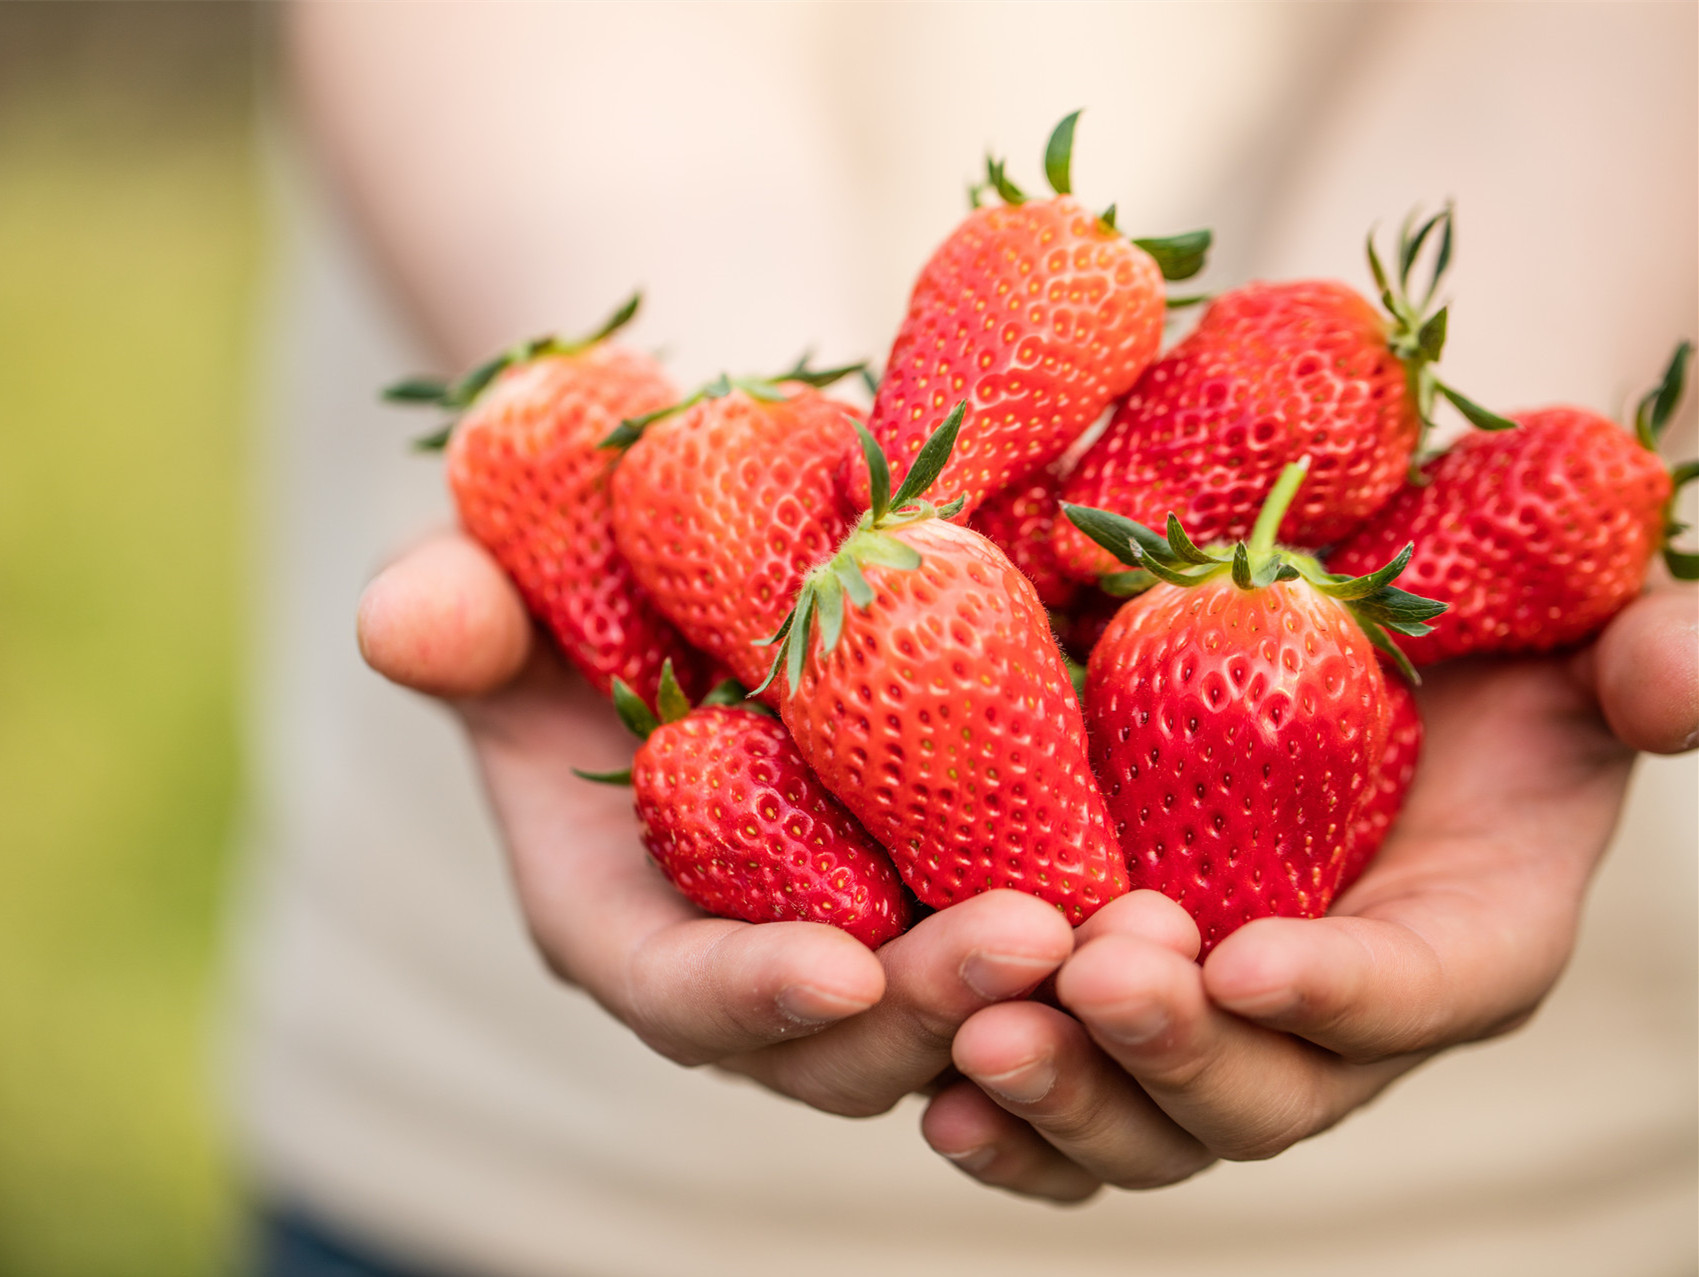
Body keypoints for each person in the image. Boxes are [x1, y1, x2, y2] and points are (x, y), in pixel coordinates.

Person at [231, 4, 1698, 1273]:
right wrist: (691, 415)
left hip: (1553, 1186)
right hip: (512, 1159)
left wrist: (1479, 383)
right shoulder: (866, 570)